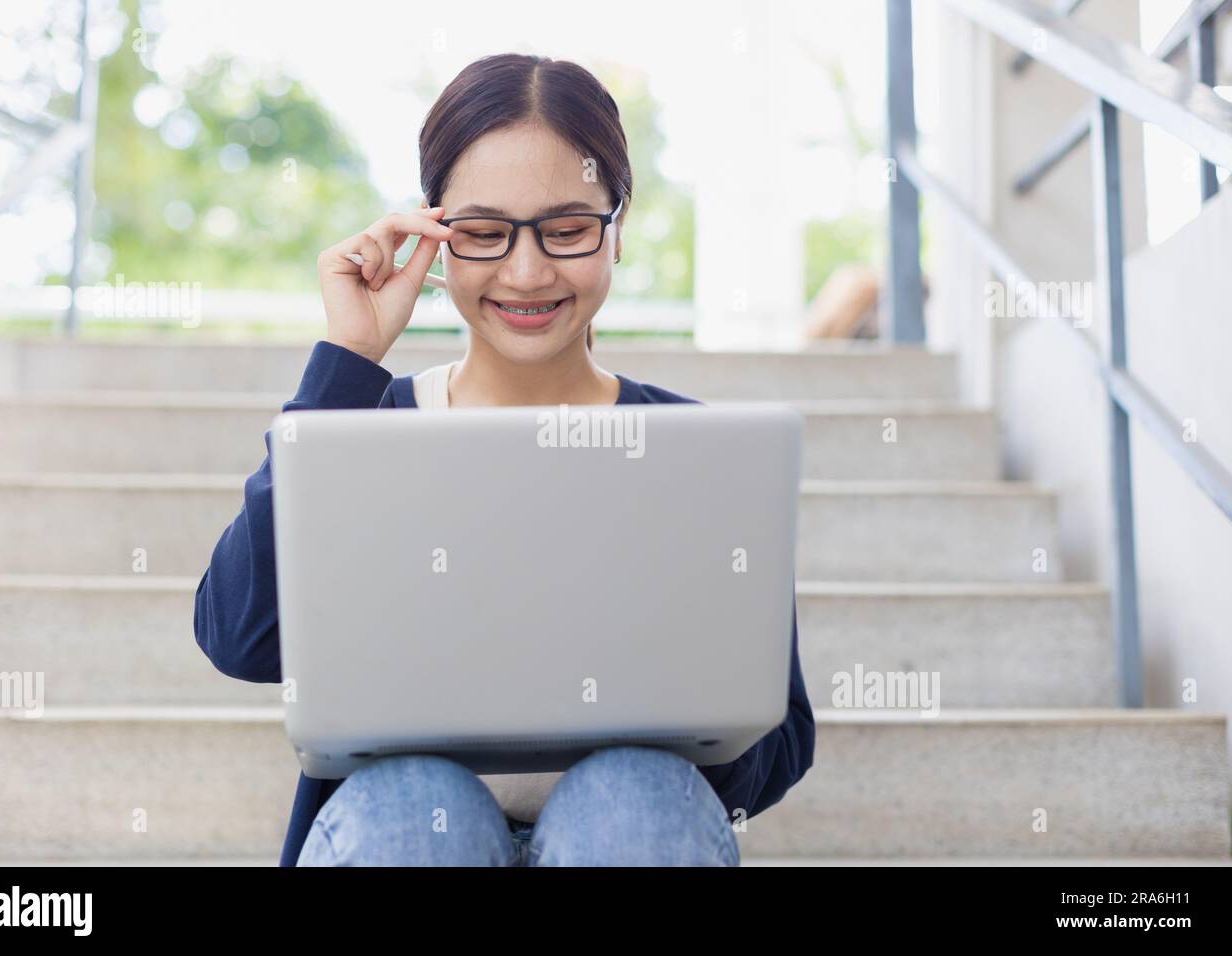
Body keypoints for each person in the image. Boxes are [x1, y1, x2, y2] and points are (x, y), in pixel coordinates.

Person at [193, 52, 814, 867]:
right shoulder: (364, 426)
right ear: (434, 237)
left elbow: (783, 740)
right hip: (404, 834)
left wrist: (680, 715)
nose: (527, 272)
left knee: (631, 804)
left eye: (567, 230)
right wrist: (348, 358)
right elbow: (239, 636)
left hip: (631, 838)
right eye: (484, 233)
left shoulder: (697, 451)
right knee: (416, 812)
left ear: (616, 233)